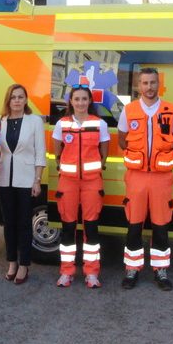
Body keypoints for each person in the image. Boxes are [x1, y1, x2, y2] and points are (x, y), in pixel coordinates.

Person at [118, 67, 173, 291]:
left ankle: (161, 271)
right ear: (139, 85)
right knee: (133, 226)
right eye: (145, 83)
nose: (149, 87)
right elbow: (122, 140)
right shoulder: (128, 110)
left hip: (161, 178)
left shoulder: (171, 111)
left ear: (159, 84)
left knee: (161, 227)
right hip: (136, 177)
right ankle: (132, 270)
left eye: (153, 83)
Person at [52, 86, 109, 289]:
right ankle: (66, 272)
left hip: (92, 181)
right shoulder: (62, 124)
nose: (81, 103)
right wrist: (61, 164)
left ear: (89, 101)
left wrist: (99, 166)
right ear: (71, 101)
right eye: (77, 99)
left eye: (84, 99)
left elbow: (104, 150)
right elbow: (57, 147)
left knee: (91, 227)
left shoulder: (99, 124)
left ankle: (91, 273)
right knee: (68, 227)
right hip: (68, 181)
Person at [0, 83, 45, 285]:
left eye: (20, 97)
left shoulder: (34, 122)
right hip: (4, 178)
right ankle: (12, 262)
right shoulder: (0, 121)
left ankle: (24, 265)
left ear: (26, 99)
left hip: (26, 180)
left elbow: (40, 152)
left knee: (24, 224)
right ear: (8, 100)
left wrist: (37, 180)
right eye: (13, 97)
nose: (17, 100)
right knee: (9, 224)